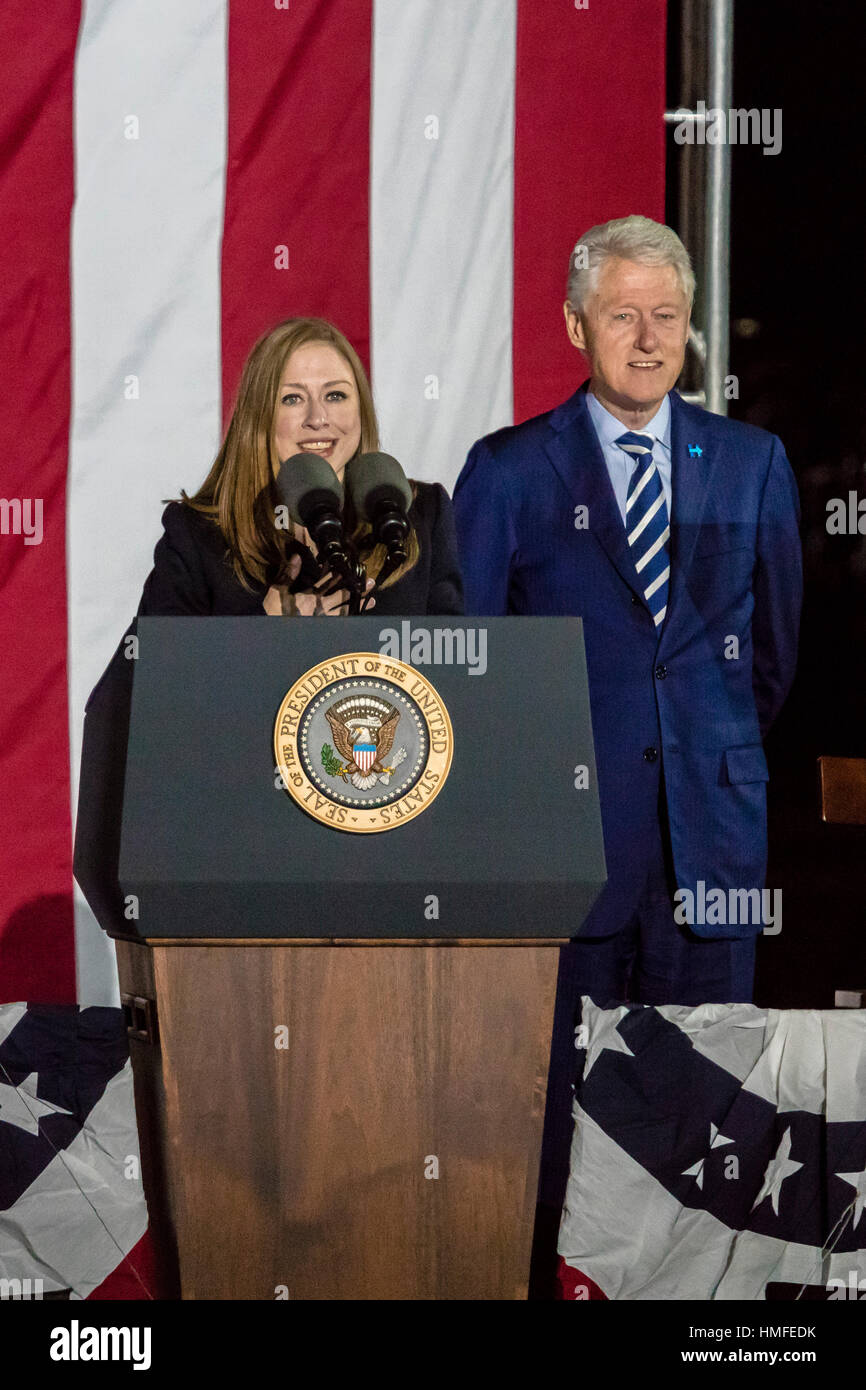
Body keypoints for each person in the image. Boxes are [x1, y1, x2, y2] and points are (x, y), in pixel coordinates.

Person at [451, 215, 802, 1248]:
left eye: (666, 317)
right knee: (564, 1121)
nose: (646, 338)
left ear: (688, 327)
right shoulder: (509, 472)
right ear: (574, 326)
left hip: (714, 849)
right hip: (564, 857)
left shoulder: (751, 462)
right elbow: (469, 668)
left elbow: (771, 660)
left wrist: (703, 751)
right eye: (621, 316)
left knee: (707, 1118)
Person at [74, 317, 463, 930]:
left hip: (397, 857)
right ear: (261, 416)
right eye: (293, 398)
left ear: (360, 412)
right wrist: (263, 633)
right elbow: (148, 690)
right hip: (237, 857)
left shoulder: (417, 519)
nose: (318, 419)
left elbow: (464, 678)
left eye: (336, 395)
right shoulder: (200, 536)